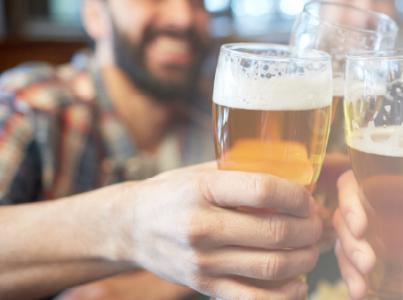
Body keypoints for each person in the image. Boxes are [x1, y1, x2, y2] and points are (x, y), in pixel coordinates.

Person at [0, 0, 326, 298]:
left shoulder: (222, 113)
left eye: (198, 2)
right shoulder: (32, 108)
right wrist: (129, 226)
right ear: (94, 14)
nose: (182, 17)